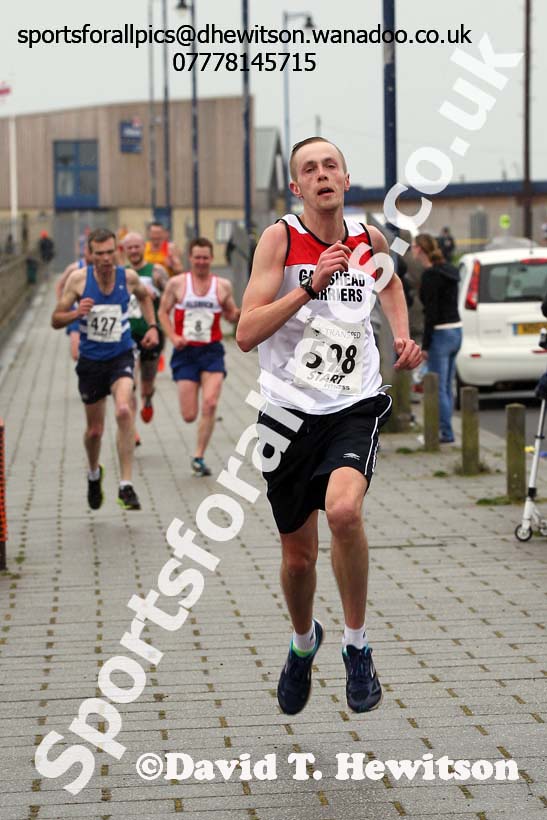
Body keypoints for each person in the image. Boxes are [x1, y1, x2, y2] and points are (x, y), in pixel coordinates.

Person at [236, 136, 421, 715]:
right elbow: (246, 332)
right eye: (309, 169)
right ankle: (302, 641)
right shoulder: (280, 240)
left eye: (330, 166)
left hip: (353, 402)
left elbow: (388, 282)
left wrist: (400, 333)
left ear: (345, 178)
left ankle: (356, 645)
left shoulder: (369, 239)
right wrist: (310, 286)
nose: (321, 175)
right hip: (287, 413)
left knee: (344, 511)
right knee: (299, 558)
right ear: (297, 186)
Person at [51, 228, 160, 511]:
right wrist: (76, 313)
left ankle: (126, 485)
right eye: (99, 254)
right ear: (90, 255)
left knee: (124, 409)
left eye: (110, 252)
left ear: (117, 251)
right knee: (95, 431)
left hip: (121, 355)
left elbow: (146, 297)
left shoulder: (128, 278)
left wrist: (152, 326)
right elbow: (55, 319)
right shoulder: (78, 280)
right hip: (90, 362)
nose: (106, 258)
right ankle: (93, 473)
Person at [158, 237, 240, 477]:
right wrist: (173, 337)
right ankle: (198, 451)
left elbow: (229, 314)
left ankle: (199, 456)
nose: (202, 262)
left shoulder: (222, 286)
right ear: (190, 258)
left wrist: (239, 314)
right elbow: (162, 312)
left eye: (206, 257)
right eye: (197, 257)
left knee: (211, 403)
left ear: (212, 259)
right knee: (188, 415)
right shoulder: (177, 284)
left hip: (211, 351)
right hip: (185, 353)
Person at [413, 233, 462, 444]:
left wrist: (425, 345)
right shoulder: (449, 270)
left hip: (441, 333)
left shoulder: (431, 276)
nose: (412, 250)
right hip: (457, 330)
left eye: (414, 247)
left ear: (420, 250)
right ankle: (447, 429)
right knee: (447, 386)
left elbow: (430, 312)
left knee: (438, 386)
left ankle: (445, 433)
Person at [123, 231, 168, 423]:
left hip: (151, 332)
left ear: (144, 247)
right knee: (128, 382)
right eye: (129, 247)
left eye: (136, 246)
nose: (133, 251)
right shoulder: (121, 273)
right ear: (124, 250)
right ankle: (131, 429)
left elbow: (171, 298)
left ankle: (147, 400)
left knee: (147, 382)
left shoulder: (156, 271)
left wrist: (156, 295)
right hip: (127, 334)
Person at [55, 247, 93, 361]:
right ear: (85, 252)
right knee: (75, 352)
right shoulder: (74, 268)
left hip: (93, 315)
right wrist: (62, 306)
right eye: (88, 251)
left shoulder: (102, 269)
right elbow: (59, 286)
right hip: (75, 314)